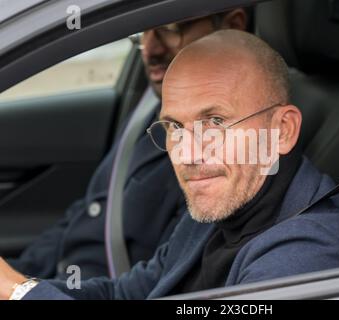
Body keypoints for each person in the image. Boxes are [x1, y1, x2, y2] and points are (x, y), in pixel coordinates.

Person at [0, 29, 339, 300]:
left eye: (215, 123)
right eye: (175, 127)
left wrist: (22, 294)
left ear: (283, 131)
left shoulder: (310, 252)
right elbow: (129, 294)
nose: (189, 154)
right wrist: (23, 286)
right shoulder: (221, 207)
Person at [6, 9, 249, 280]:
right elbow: (92, 207)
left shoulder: (230, 157)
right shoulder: (151, 106)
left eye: (170, 28)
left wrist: (25, 291)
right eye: (142, 31)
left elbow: (159, 285)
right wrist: (19, 275)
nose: (150, 49)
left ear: (232, 26)